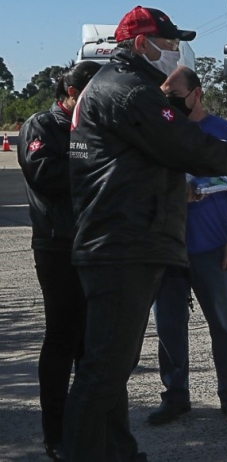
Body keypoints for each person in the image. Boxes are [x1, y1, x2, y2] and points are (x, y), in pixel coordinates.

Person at [62, 6, 227, 462]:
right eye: (168, 44)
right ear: (141, 44)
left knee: (112, 367)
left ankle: (117, 451)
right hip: (122, 247)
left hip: (122, 242)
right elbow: (185, 144)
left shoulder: (118, 87)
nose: (174, 53)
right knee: (102, 372)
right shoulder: (128, 92)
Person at [148, 66, 227, 425]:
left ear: (196, 95)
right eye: (164, 96)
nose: (169, 103)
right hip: (168, 250)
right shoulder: (161, 132)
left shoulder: (225, 134)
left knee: (224, 326)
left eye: (175, 96)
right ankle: (175, 397)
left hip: (215, 249)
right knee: (169, 327)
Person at [17, 61, 102, 460]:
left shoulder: (92, 126)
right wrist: (93, 166)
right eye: (89, 94)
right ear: (70, 93)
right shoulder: (42, 126)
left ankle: (87, 426)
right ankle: (55, 433)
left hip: (96, 246)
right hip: (58, 247)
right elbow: (44, 176)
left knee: (93, 343)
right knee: (62, 339)